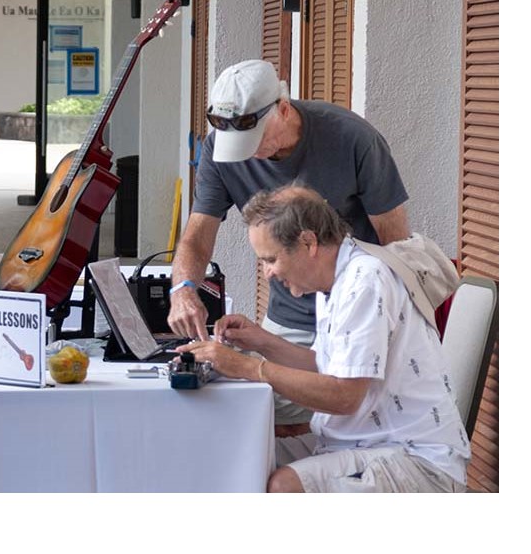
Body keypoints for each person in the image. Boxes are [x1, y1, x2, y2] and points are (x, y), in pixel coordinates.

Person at [168, 59, 411, 433]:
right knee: (247, 410)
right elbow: (197, 235)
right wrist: (183, 289)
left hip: (355, 309)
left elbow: (396, 245)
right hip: (289, 314)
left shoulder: (352, 138)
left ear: (283, 108)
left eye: (255, 139)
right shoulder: (221, 148)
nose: (248, 153)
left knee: (288, 420)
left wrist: (384, 324)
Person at [178, 184, 470, 493]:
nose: (267, 273)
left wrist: (247, 367)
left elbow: (344, 396)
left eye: (271, 259)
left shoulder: (366, 281)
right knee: (239, 456)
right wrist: (261, 341)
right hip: (359, 444)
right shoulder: (335, 279)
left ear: (308, 242)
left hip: (417, 460)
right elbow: (325, 365)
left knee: (284, 485)